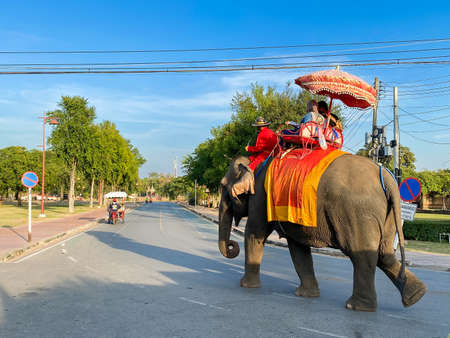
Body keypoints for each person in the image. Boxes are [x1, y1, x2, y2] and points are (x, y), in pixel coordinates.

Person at [231, 117, 278, 198]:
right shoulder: (270, 132)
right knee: (252, 158)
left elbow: (259, 148)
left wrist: (249, 148)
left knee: (250, 167)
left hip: (267, 154)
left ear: (259, 126)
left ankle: (245, 186)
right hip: (274, 152)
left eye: (257, 126)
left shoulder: (262, 134)